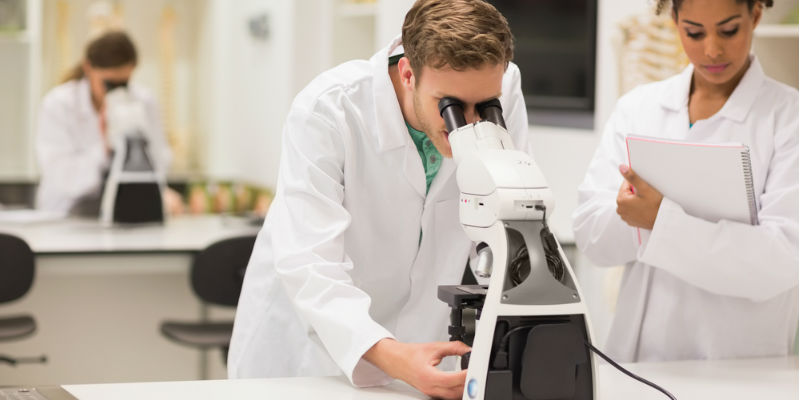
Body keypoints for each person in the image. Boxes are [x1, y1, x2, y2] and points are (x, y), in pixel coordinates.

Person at [227, 1, 529, 398]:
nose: (470, 123)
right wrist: (395, 356)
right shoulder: (328, 109)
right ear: (407, 73)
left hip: (421, 351)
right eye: (452, 106)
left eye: (484, 106)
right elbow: (311, 264)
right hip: (311, 353)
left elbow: (507, 220)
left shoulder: (502, 88)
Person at [573, 0, 797, 363]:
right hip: (636, 364)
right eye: (694, 32)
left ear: (755, 15)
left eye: (728, 30)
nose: (712, 49)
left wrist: (659, 221)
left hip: (737, 366)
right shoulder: (638, 108)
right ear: (674, 20)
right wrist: (639, 216)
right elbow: (591, 238)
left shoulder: (788, 119)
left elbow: (782, 261)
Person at [36, 31, 180, 216]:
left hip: (126, 214)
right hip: (65, 215)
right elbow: (63, 178)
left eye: (124, 83)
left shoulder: (144, 102)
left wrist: (161, 193)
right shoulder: (58, 104)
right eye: (109, 84)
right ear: (88, 68)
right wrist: (105, 147)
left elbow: (158, 160)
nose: (117, 92)